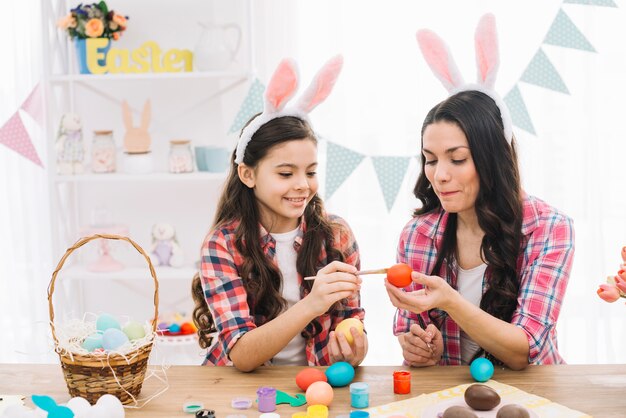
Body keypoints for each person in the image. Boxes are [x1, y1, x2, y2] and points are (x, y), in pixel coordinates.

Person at [386, 15, 575, 370]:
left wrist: (452, 302)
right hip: (453, 398)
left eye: (457, 159)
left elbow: (524, 350)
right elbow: (412, 330)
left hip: (535, 393)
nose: (439, 176)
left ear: (492, 157)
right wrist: (420, 345)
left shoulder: (550, 228)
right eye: (430, 160)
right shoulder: (418, 235)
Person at [191, 56, 368, 371]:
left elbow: (351, 320)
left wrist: (354, 344)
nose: (302, 185)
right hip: (241, 391)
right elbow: (242, 355)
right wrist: (313, 304)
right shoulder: (223, 244)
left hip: (315, 384)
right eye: (286, 174)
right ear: (248, 175)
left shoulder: (337, 234)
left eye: (311, 172)